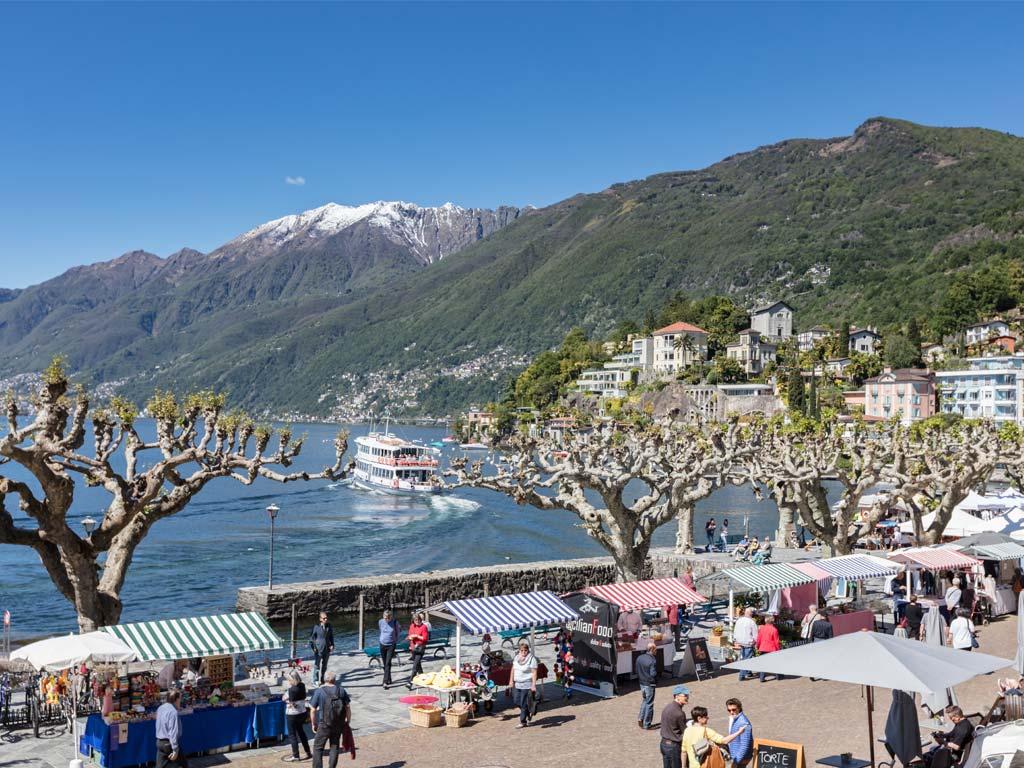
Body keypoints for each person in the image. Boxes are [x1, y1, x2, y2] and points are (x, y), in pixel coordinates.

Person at [309, 671, 351, 768]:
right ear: (334, 680)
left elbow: (312, 710)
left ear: (324, 679)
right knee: (334, 746)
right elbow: (348, 707)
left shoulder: (319, 691)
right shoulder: (341, 690)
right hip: (338, 724)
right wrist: (347, 721)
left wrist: (313, 724)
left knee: (318, 748)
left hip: (324, 724)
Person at [682, 706, 747, 766]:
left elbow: (684, 752)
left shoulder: (687, 731)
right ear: (699, 718)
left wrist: (683, 766)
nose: (708, 718)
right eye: (705, 717)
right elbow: (725, 741)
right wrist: (739, 732)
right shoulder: (706, 731)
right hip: (704, 765)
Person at [282, 670, 312, 762]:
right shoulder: (302, 686)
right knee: (301, 732)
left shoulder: (291, 690)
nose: (288, 681)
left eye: (289, 680)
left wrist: (287, 698)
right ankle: (308, 752)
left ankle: (296, 755)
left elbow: (283, 698)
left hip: (292, 714)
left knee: (292, 735)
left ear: (292, 679)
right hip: (302, 712)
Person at [508, 640, 538, 728]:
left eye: (525, 650)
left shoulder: (532, 659)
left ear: (528, 650)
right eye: (522, 650)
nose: (523, 652)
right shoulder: (516, 658)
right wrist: (511, 681)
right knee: (516, 701)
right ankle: (529, 711)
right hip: (517, 684)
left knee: (523, 703)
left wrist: (533, 685)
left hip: (526, 684)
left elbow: (534, 672)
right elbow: (513, 669)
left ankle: (523, 721)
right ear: (519, 651)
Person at [659, 685, 690, 768]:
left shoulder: (667, 707)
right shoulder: (679, 713)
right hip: (673, 747)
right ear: (677, 696)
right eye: (685, 695)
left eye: (687, 695)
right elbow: (685, 731)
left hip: (664, 744)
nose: (687, 697)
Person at [155, 689, 186, 768]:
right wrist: (175, 749)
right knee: (183, 765)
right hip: (168, 743)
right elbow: (173, 732)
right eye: (180, 698)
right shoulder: (173, 712)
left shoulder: (160, 708)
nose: (180, 701)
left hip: (159, 742)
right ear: (176, 699)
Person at [636, 641, 658, 730]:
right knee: (649, 703)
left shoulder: (640, 657)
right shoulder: (652, 660)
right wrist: (655, 679)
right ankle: (647, 724)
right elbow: (653, 674)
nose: (656, 651)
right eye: (655, 649)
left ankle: (640, 718)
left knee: (645, 700)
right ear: (652, 649)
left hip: (642, 682)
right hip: (649, 684)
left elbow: (636, 670)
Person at [726, 699, 754, 767]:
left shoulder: (744, 723)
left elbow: (745, 745)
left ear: (739, 708)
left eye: (734, 709)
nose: (731, 712)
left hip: (741, 760)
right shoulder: (735, 719)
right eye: (729, 710)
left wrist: (736, 762)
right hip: (736, 757)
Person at [732, 607, 758, 682]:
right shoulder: (751, 622)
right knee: (747, 658)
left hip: (740, 641)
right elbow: (755, 634)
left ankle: (748, 672)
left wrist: (736, 639)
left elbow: (735, 631)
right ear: (751, 614)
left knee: (745, 657)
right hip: (748, 642)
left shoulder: (739, 620)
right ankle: (742, 675)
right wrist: (755, 642)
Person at [309, 612, 334, 685]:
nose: (326, 619)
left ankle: (323, 679)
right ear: (320, 619)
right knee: (317, 665)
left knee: (324, 665)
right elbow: (311, 638)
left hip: (327, 649)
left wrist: (332, 644)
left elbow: (331, 636)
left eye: (326, 618)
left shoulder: (329, 626)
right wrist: (313, 648)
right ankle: (315, 681)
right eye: (324, 618)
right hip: (318, 649)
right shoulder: (316, 627)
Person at [405, 613, 429, 688]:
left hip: (420, 648)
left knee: (415, 666)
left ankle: (410, 682)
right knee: (418, 665)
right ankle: (424, 679)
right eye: (415, 620)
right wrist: (410, 637)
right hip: (413, 648)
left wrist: (417, 636)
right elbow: (409, 635)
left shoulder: (424, 627)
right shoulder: (412, 626)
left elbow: (425, 638)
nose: (417, 621)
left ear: (421, 619)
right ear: (413, 620)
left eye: (418, 620)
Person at [378, 610, 400, 689]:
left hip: (391, 645)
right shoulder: (380, 622)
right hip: (382, 644)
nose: (386, 619)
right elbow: (381, 630)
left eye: (388, 617)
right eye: (385, 617)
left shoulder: (395, 622)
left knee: (388, 663)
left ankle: (385, 681)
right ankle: (389, 679)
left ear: (391, 617)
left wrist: (395, 641)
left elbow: (398, 632)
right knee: (385, 664)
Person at [755, 615, 781, 683]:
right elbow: (776, 641)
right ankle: (778, 676)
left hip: (763, 648)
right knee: (775, 663)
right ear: (772, 621)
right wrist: (778, 649)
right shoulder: (774, 629)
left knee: (763, 663)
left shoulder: (762, 629)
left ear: (765, 620)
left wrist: (757, 646)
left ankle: (762, 677)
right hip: (772, 649)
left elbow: (759, 639)